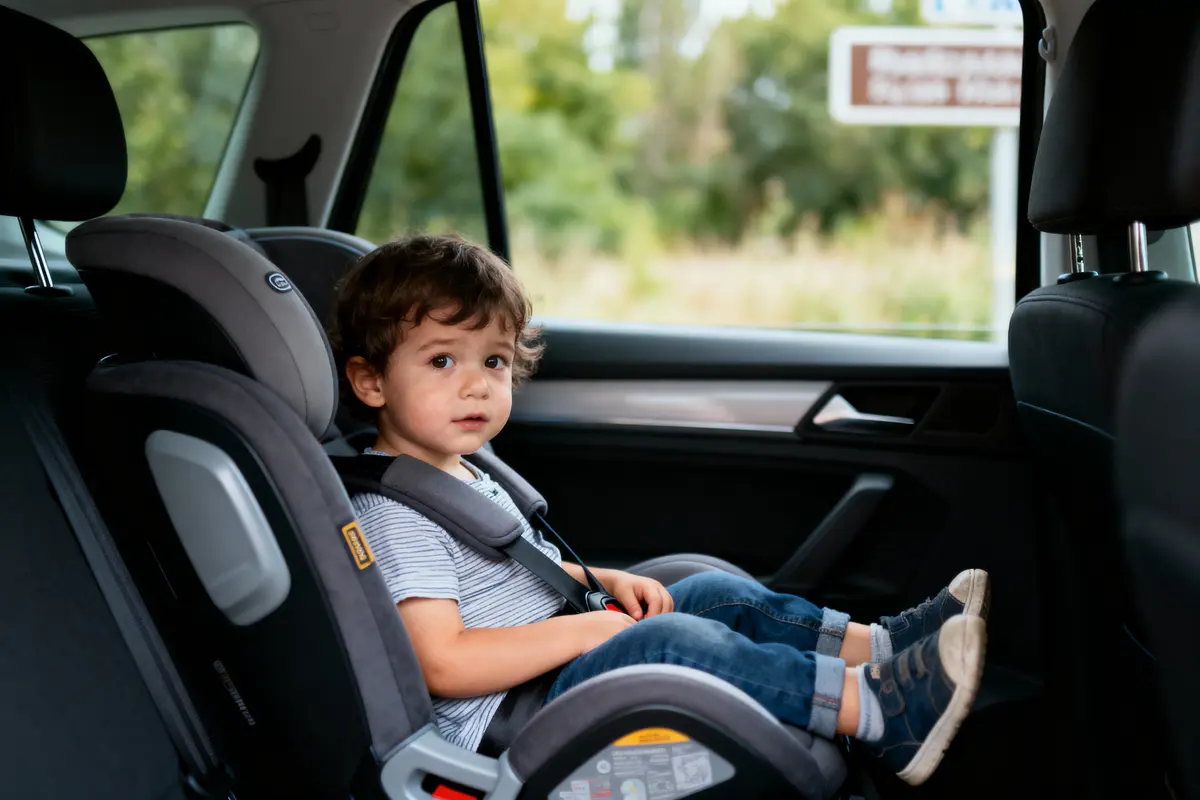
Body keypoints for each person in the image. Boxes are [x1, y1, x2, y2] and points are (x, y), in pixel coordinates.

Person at [328, 234, 989, 787]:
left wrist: (603, 583)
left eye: (494, 361)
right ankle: (878, 712)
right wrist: (588, 633)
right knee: (671, 640)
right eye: (443, 360)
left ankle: (879, 647)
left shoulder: (465, 471)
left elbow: (520, 577)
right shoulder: (394, 515)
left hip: (553, 661)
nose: (477, 384)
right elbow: (445, 662)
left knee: (708, 594)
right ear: (371, 381)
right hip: (512, 718)